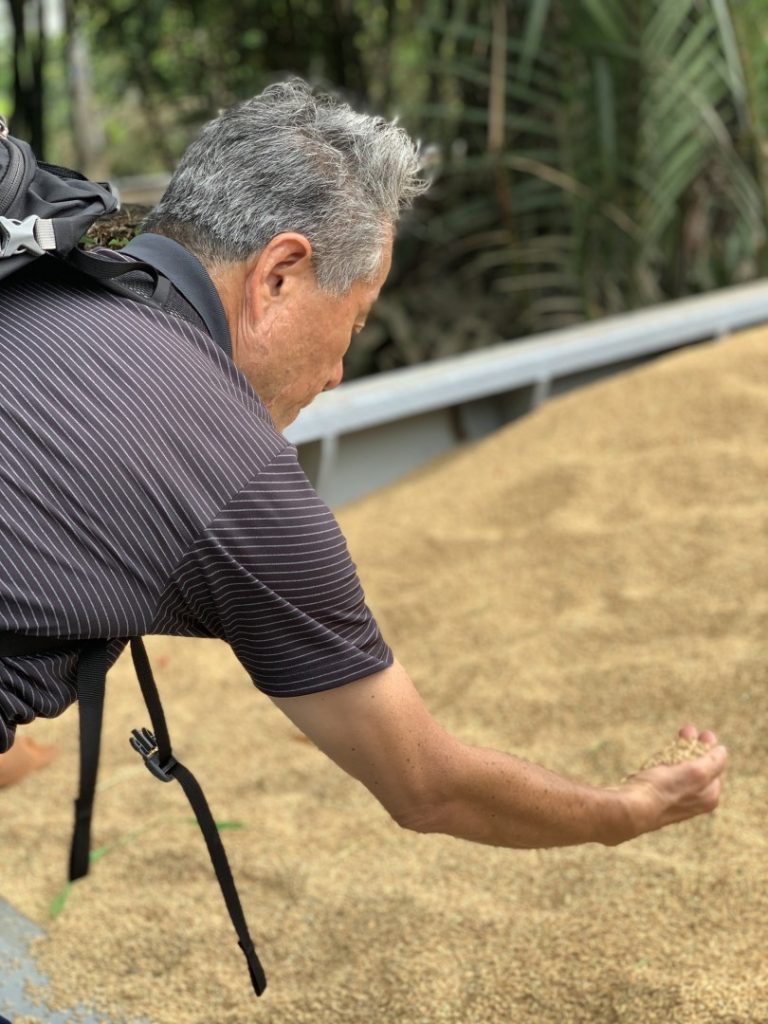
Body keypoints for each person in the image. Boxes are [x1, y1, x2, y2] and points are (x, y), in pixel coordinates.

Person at [0, 79, 726, 852]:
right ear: (279, 273)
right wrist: (627, 809)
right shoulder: (239, 479)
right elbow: (428, 785)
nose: (339, 371)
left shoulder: (38, 273)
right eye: (353, 322)